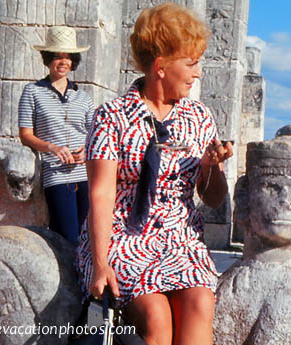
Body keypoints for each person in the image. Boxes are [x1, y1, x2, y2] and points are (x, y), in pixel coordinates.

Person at [75, 3, 232, 345]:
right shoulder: (111, 117)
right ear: (161, 66)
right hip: (122, 238)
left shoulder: (199, 117)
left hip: (180, 239)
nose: (198, 73)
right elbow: (101, 193)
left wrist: (210, 167)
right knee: (156, 316)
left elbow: (215, 197)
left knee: (200, 302)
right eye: (191, 63)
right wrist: (101, 263)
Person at [18, 26, 95, 246]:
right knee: (67, 238)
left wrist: (86, 151)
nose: (63, 62)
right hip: (55, 174)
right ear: (48, 59)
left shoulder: (83, 97)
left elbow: (94, 134)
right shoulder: (32, 92)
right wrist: (52, 148)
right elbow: (25, 135)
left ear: (73, 61)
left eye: (68, 57)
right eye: (57, 56)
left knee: (88, 237)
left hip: (85, 174)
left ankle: (86, 280)